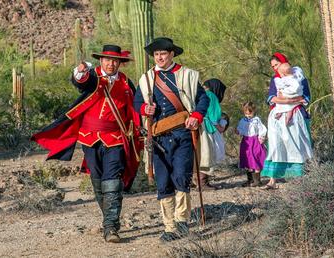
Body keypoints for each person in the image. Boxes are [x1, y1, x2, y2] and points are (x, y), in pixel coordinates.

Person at [31, 45, 142, 243]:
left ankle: (110, 227)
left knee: (113, 180)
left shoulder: (126, 82)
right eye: (107, 60)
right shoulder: (94, 77)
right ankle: (108, 218)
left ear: (119, 63)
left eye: (115, 60)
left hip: (116, 137)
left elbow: (135, 108)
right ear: (101, 61)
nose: (111, 63)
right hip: (90, 137)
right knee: (98, 181)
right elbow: (81, 81)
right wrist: (81, 70)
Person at [133, 37, 210, 242]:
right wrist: (144, 108)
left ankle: (182, 221)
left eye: (163, 54)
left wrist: (196, 116)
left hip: (183, 133)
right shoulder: (146, 78)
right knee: (163, 181)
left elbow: (203, 99)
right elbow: (137, 102)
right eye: (156, 54)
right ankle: (169, 227)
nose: (159, 57)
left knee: (181, 177)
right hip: (158, 136)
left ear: (172, 54)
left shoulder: (188, 75)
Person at [261, 52, 313, 189]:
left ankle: (299, 179)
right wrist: (287, 101)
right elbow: (271, 98)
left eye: (276, 65)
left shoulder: (300, 78)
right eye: (272, 66)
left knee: (297, 144)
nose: (275, 68)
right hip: (277, 115)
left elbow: (305, 98)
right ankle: (272, 180)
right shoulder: (275, 79)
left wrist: (290, 102)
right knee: (276, 145)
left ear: (284, 62)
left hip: (296, 114)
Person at [198, 79, 228, 189]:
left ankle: (196, 181)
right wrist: (219, 127)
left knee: (198, 153)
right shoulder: (211, 95)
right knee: (207, 153)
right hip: (207, 127)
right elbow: (214, 115)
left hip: (196, 125)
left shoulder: (198, 92)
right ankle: (203, 183)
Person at [235, 102, 267, 187]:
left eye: (250, 113)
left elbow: (262, 129)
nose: (248, 115)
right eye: (246, 113)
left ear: (254, 111)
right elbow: (240, 129)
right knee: (247, 160)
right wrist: (238, 131)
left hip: (255, 141)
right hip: (246, 141)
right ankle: (250, 180)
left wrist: (261, 137)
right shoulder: (243, 120)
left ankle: (257, 180)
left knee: (256, 158)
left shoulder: (256, 119)